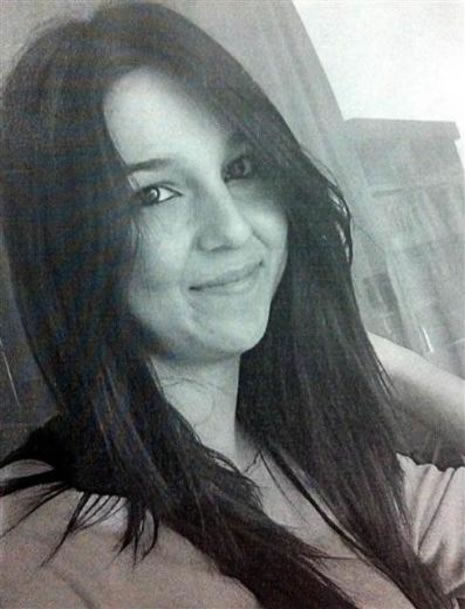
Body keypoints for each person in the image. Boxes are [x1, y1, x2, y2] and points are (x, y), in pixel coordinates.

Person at [0, 3, 463, 608]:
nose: (233, 230)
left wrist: (378, 357)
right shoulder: (41, 555)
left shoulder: (318, 460)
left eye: (240, 168)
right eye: (155, 194)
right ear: (69, 246)